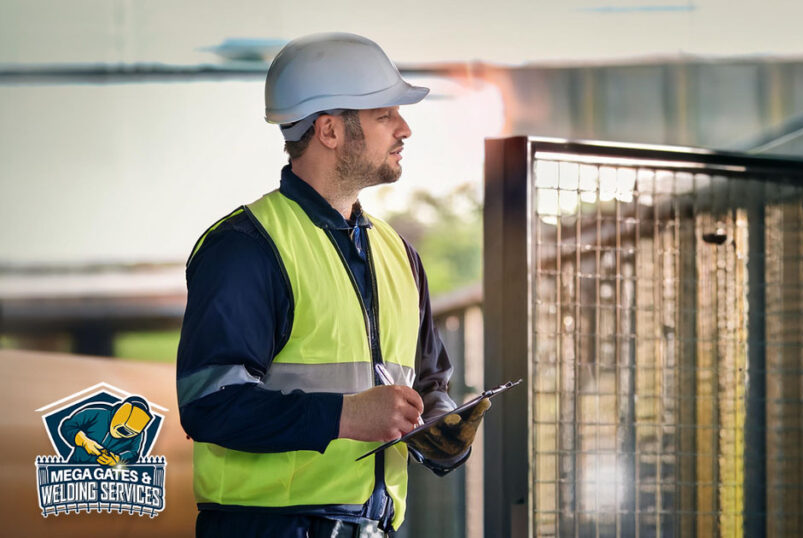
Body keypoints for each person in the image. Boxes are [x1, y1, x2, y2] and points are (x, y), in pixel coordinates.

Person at [176, 32, 488, 538]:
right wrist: (344, 416)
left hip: (375, 528)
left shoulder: (398, 254)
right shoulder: (244, 248)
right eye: (384, 115)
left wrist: (442, 425)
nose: (404, 129)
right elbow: (210, 405)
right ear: (329, 130)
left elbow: (429, 382)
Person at [60, 396, 153, 466]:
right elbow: (68, 426)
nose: (123, 434)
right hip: (77, 468)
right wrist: (84, 441)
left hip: (108, 477)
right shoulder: (97, 413)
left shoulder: (138, 434)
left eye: (130, 433)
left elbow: (133, 453)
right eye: (122, 429)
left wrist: (117, 460)